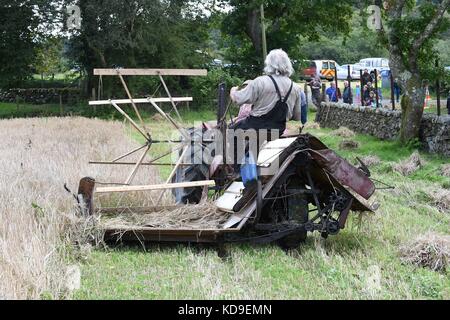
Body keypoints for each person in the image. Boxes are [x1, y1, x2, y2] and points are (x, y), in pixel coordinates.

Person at [230, 49, 306, 135]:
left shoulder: (260, 82)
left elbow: (238, 99)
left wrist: (233, 91)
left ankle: (237, 149)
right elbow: (296, 116)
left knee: (232, 131)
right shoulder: (296, 87)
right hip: (278, 130)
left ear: (269, 64)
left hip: (255, 127)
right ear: (288, 65)